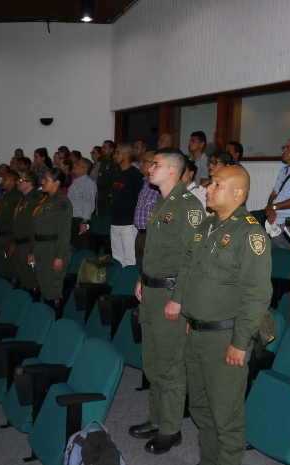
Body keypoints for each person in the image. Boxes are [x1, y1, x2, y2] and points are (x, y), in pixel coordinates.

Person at [176, 165, 272, 465]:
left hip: (225, 339)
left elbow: (256, 295)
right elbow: (192, 274)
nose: (208, 187)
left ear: (238, 193)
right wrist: (191, 318)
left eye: (216, 184)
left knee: (226, 416)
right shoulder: (206, 227)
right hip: (197, 333)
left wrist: (240, 342)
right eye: (210, 183)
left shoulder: (250, 233)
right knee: (201, 409)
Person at [130, 148, 206, 454]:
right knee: (152, 359)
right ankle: (157, 417)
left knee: (171, 364)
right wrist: (142, 277)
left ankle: (171, 428)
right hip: (152, 290)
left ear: (173, 171)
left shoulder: (189, 206)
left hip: (170, 294)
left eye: (156, 165)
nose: (149, 168)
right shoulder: (163, 202)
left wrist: (179, 299)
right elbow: (158, 250)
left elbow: (194, 257)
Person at [29, 169, 72, 314]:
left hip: (53, 249)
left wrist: (60, 256)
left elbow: (65, 231)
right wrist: (32, 251)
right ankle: (46, 320)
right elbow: (36, 229)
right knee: (43, 285)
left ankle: (55, 320)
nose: (42, 182)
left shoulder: (62, 202)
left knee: (53, 289)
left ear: (57, 183)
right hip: (41, 248)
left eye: (46, 180)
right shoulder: (44, 200)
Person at [110, 144, 143, 267]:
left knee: (130, 260)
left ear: (126, 155)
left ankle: (129, 285)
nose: (115, 155)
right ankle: (119, 284)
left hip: (129, 224)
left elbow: (139, 199)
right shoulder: (116, 172)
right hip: (115, 222)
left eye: (118, 152)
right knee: (117, 259)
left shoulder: (135, 175)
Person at [9, 172, 43, 292]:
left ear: (30, 183)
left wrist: (33, 250)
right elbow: (17, 223)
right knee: (22, 276)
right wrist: (14, 241)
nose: (18, 182)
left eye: (21, 180)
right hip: (19, 244)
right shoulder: (22, 199)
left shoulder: (36, 199)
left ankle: (34, 304)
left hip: (29, 244)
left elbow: (36, 226)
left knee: (31, 278)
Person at [133, 151, 160, 271]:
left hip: (151, 234)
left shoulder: (158, 186)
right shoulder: (144, 182)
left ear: (154, 165)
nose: (140, 164)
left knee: (149, 269)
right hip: (140, 233)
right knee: (139, 268)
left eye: (144, 161)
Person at [0, 169, 22, 278]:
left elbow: (17, 221)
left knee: (9, 266)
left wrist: (14, 241)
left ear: (13, 181)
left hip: (8, 237)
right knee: (2, 266)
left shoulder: (17, 196)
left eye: (5, 179)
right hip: (0, 236)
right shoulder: (5, 195)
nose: (2, 182)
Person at [67, 158, 97, 250]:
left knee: (81, 248)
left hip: (80, 220)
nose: (74, 165)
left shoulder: (88, 183)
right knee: (73, 247)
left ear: (84, 168)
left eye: (77, 164)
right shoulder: (76, 181)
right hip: (72, 219)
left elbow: (89, 203)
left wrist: (85, 222)